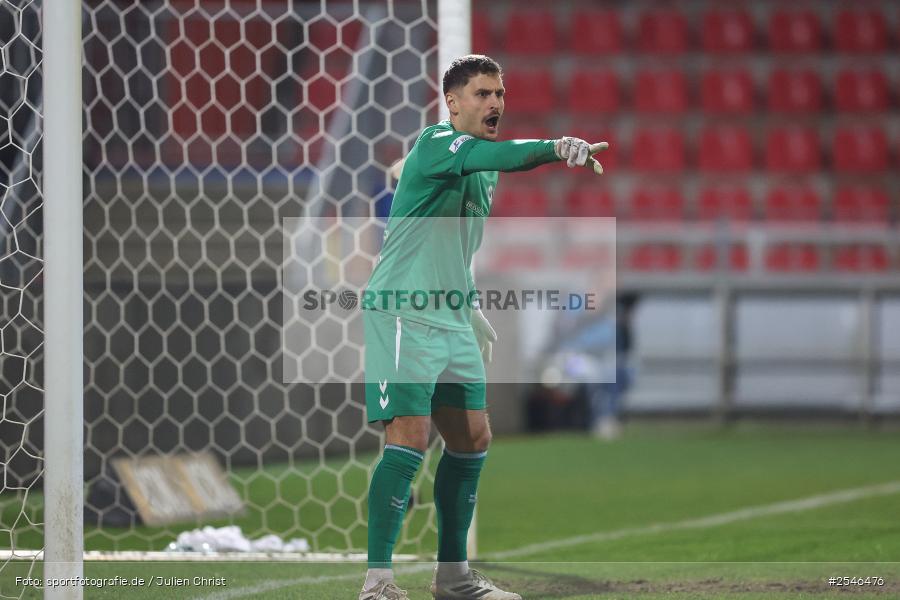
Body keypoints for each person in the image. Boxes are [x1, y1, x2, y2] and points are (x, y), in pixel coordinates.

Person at [359, 54, 608, 600]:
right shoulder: (437, 142)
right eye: (482, 93)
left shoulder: (481, 167)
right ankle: (377, 583)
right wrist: (556, 147)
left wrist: (470, 306)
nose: (495, 103)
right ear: (452, 102)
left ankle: (453, 578)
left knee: (473, 437)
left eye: (500, 94)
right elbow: (504, 154)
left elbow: (459, 244)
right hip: (402, 309)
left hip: (450, 312)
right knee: (409, 437)